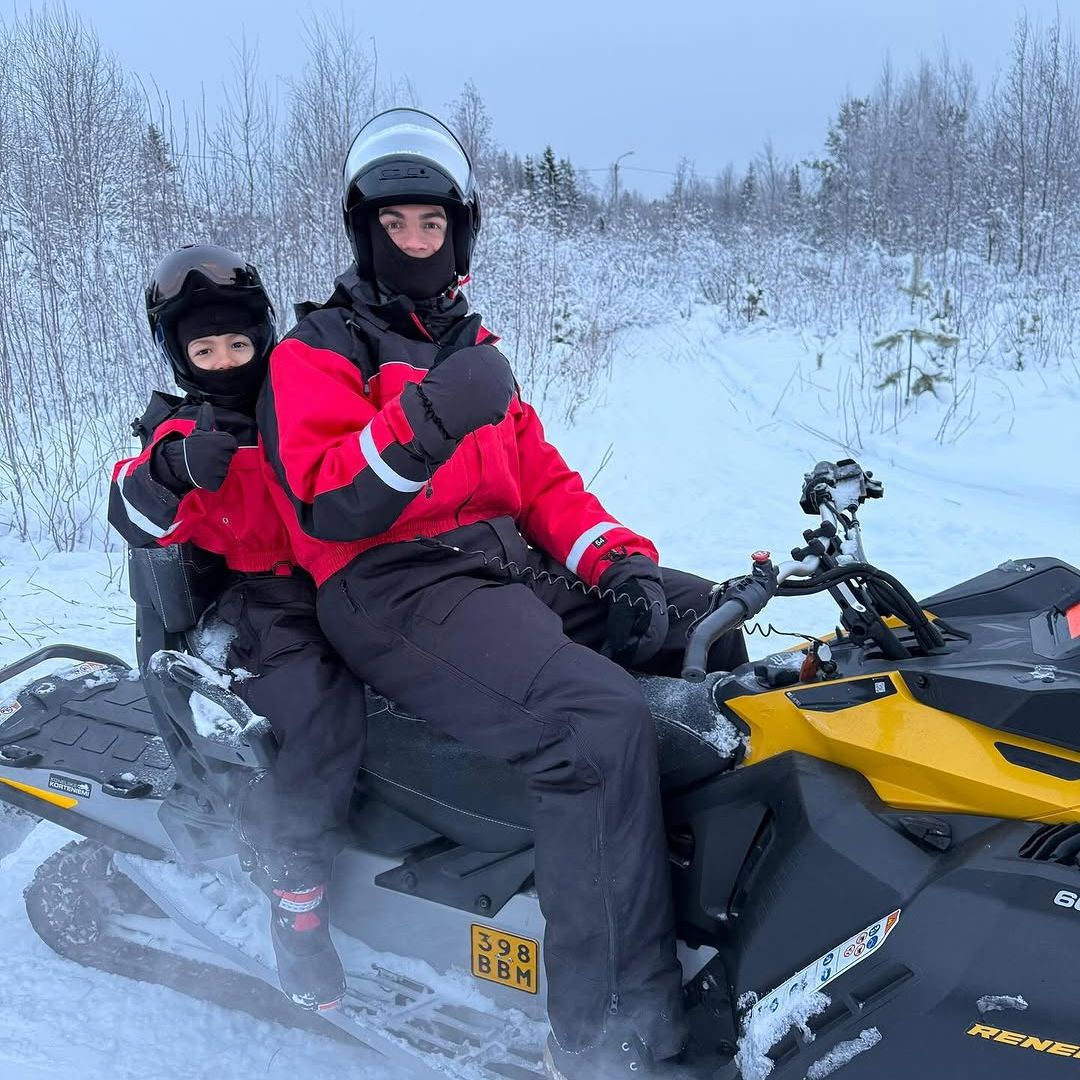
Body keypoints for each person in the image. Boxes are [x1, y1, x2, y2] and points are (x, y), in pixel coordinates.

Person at [257, 109, 748, 1078]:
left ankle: (697, 896)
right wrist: (429, 418)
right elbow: (329, 505)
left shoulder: (471, 348)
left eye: (429, 225)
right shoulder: (315, 352)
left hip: (499, 568)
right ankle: (606, 1026)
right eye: (394, 225)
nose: (413, 242)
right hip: (388, 582)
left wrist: (624, 565)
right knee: (590, 722)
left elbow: (547, 487)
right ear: (365, 231)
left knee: (710, 626)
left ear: (458, 233)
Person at [108, 245, 367, 1012]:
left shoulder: (299, 400)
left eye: (239, 345)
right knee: (321, 710)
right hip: (262, 598)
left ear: (264, 338)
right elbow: (127, 510)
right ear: (181, 356)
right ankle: (295, 889)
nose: (225, 362)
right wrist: (174, 470)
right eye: (204, 349)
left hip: (351, 575)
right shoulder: (181, 431)